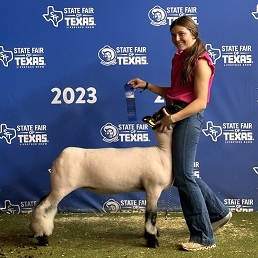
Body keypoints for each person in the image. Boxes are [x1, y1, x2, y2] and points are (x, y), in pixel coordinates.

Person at [128, 15, 232, 251]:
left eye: (181, 34)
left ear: (193, 33)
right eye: (173, 35)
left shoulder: (201, 62)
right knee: (179, 173)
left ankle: (203, 237)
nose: (176, 39)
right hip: (176, 115)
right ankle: (218, 213)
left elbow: (200, 102)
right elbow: (174, 92)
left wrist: (171, 118)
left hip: (187, 118)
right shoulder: (180, 57)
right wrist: (146, 85)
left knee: (183, 176)